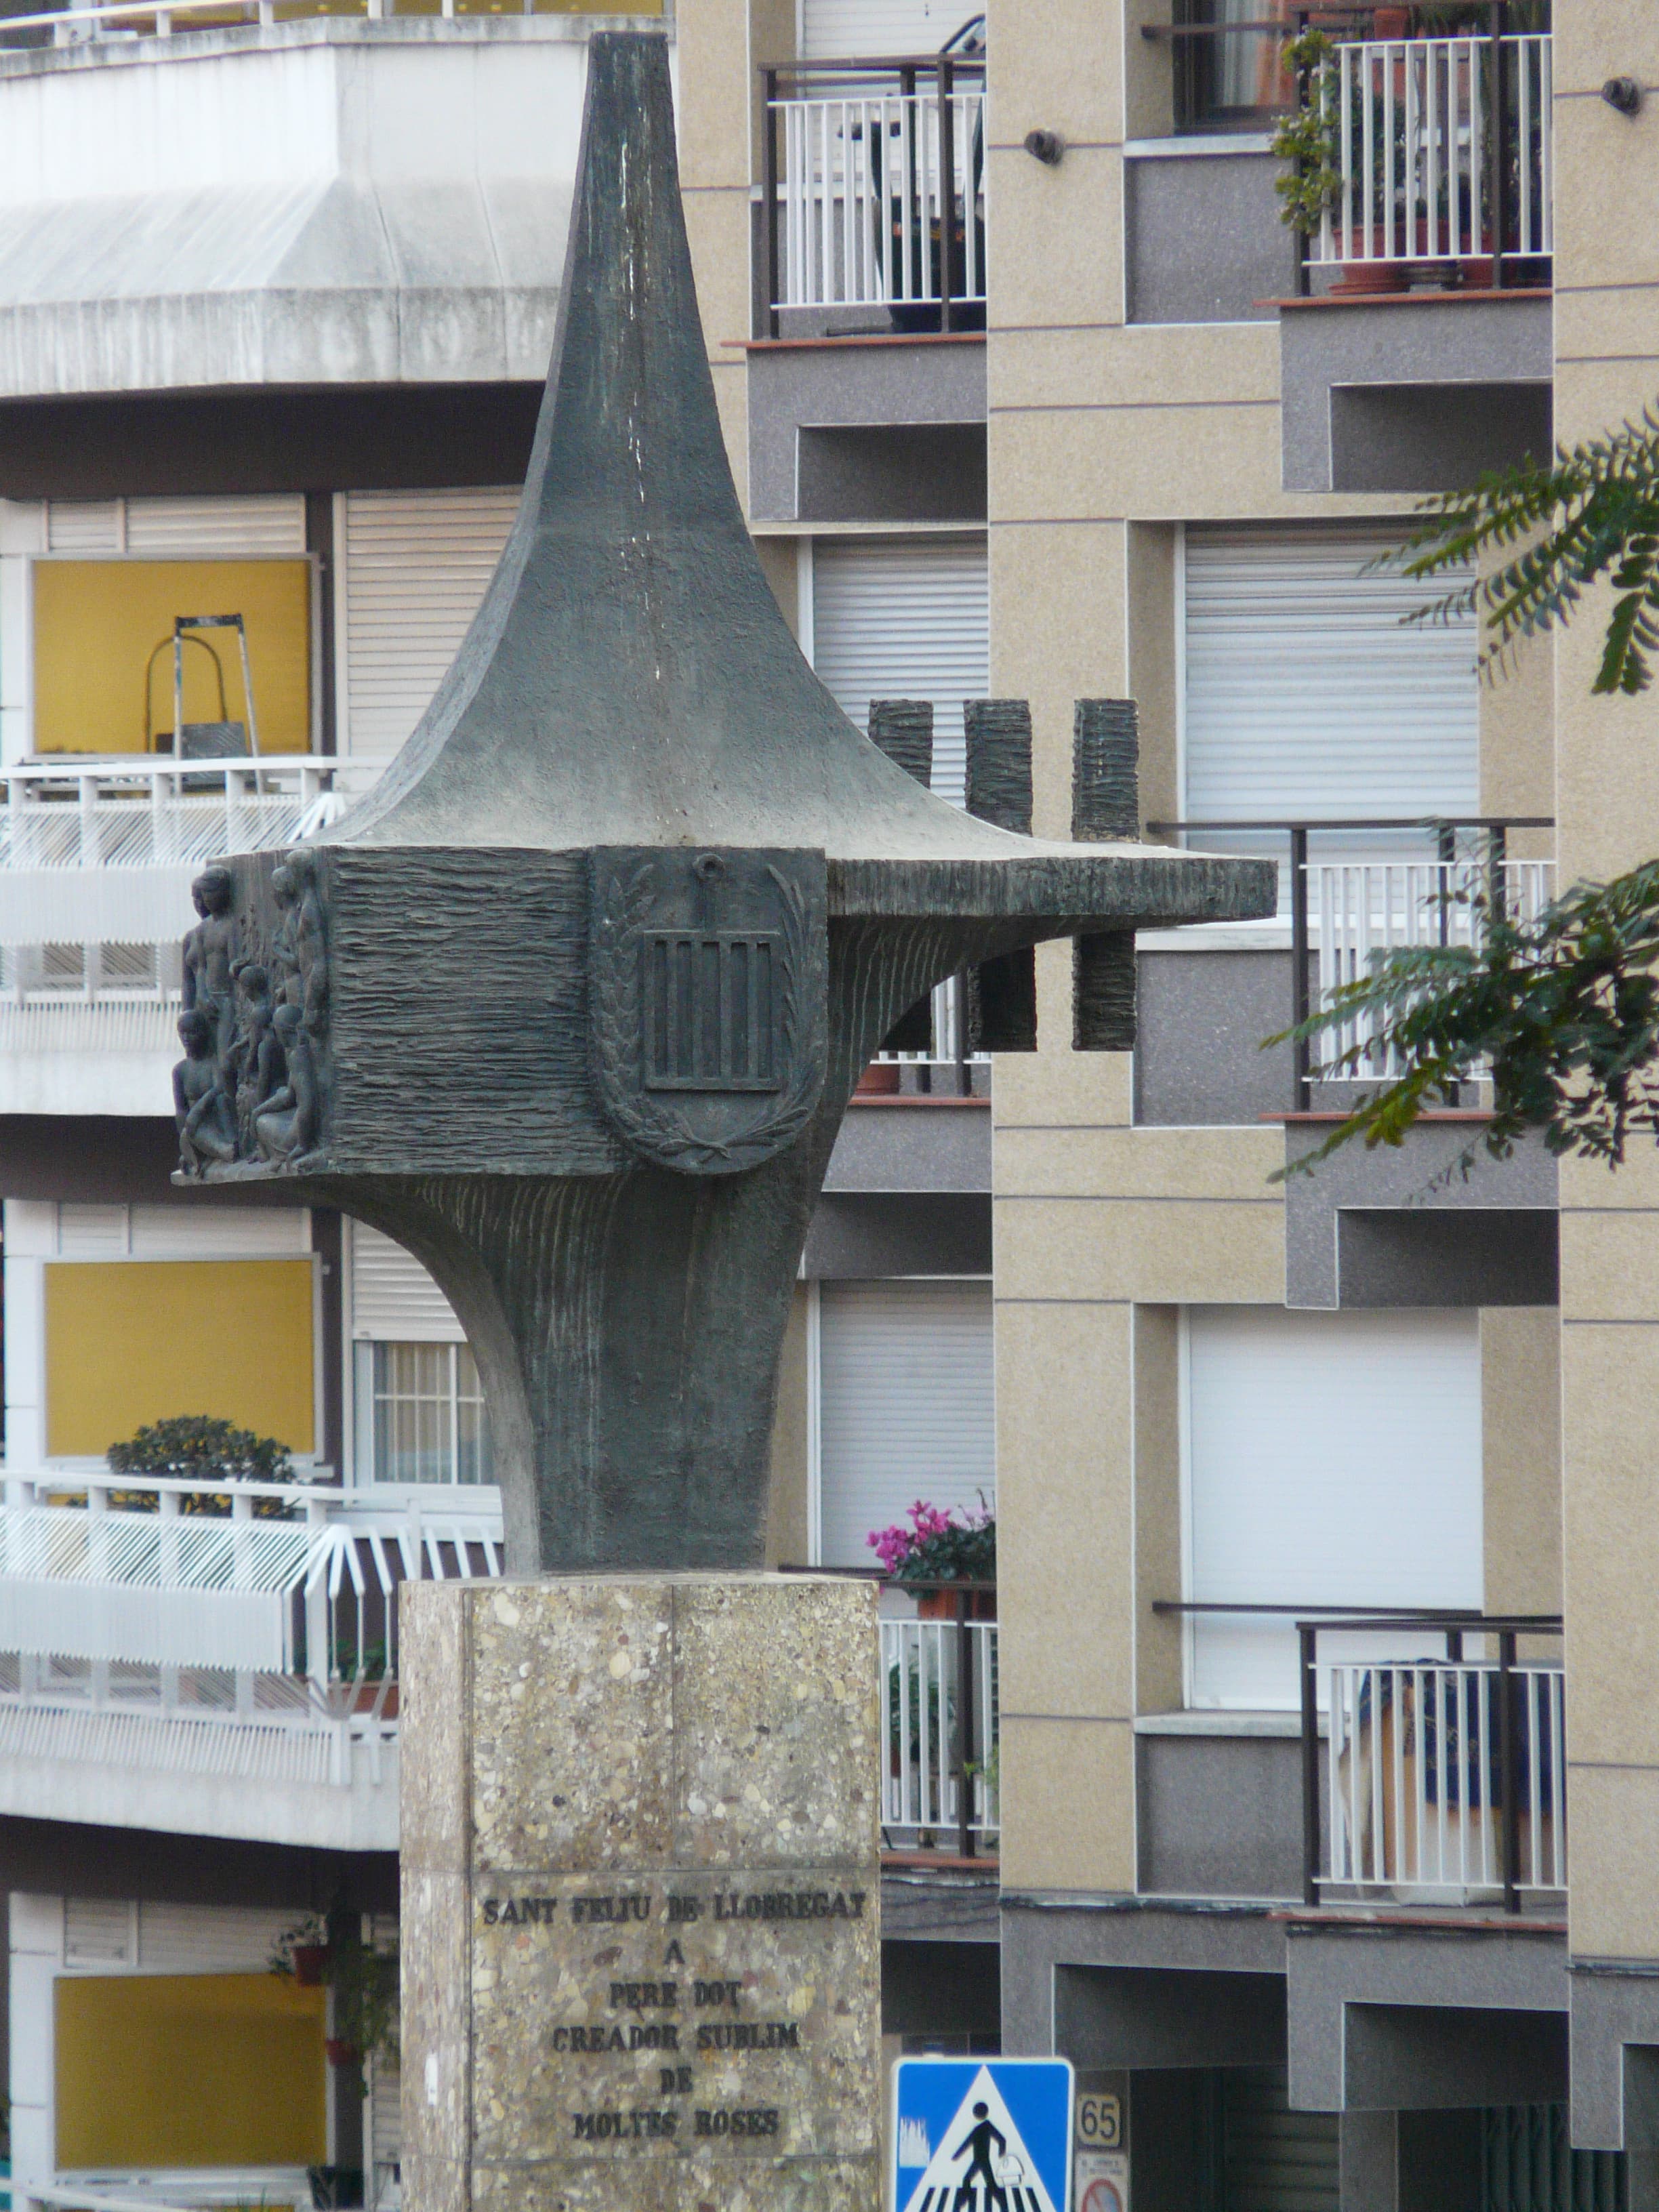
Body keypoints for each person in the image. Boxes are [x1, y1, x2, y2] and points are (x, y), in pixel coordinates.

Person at [173, 1008, 238, 1175]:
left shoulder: (212, 1064)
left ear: (203, 1033)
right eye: (182, 1033)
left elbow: (220, 1089)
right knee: (191, 1128)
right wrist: (184, 1145)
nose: (186, 1038)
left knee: (221, 1100)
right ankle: (223, 1152)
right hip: (194, 1129)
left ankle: (229, 1147)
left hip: (214, 1123)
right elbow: (181, 1111)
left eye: (192, 1032)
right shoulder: (181, 1070)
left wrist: (199, 1108)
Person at [951, 2102, 1008, 2212]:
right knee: (974, 2181)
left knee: (986, 2184)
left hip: (982, 2161)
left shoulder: (986, 2126)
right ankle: (962, 2203)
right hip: (979, 2160)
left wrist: (1001, 2153)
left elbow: (1002, 2139)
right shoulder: (981, 2128)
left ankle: (1003, 2204)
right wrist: (956, 2156)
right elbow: (967, 2143)